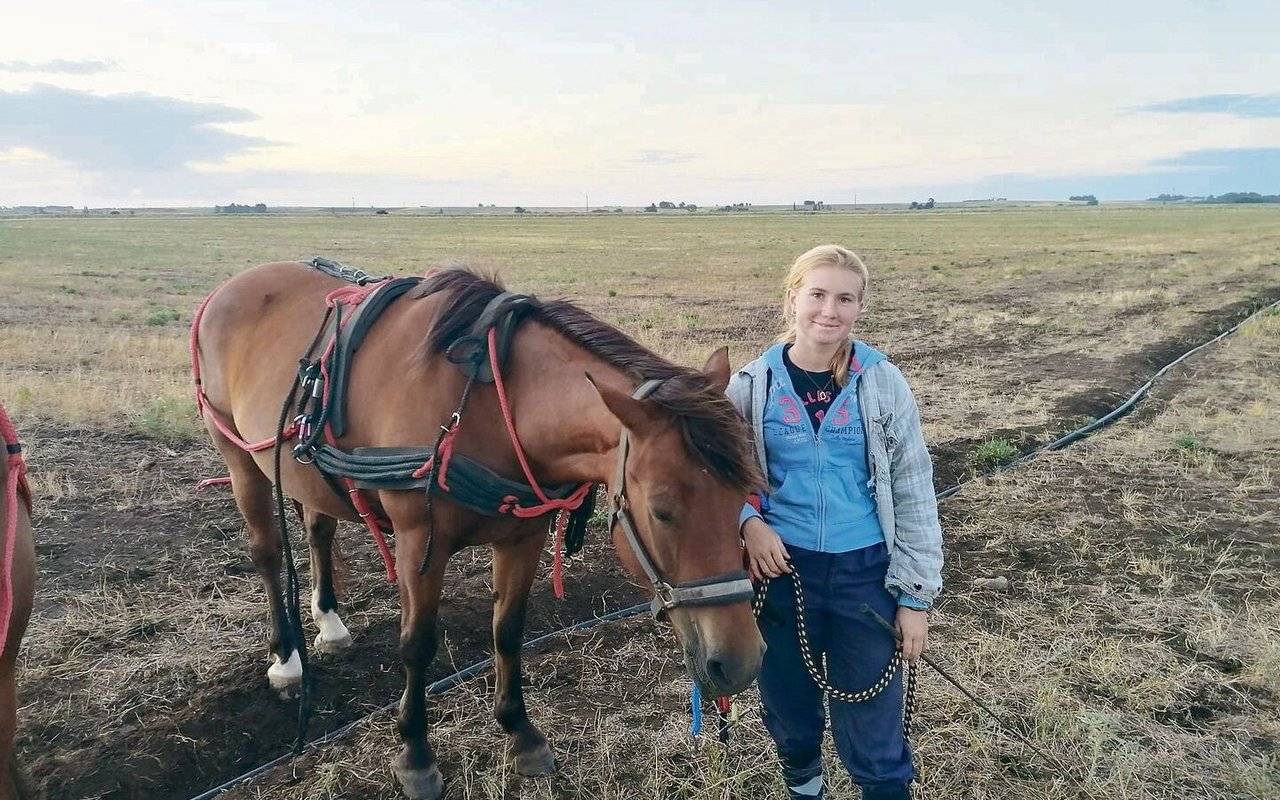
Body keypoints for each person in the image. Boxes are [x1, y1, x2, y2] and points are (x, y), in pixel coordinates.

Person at [726, 245, 944, 800]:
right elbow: (718, 479)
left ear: (859, 307)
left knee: (874, 722)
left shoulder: (882, 382)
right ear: (792, 297)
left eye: (844, 298)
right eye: (817, 294)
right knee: (791, 709)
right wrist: (749, 520)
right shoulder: (751, 387)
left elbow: (913, 487)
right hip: (783, 576)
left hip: (865, 575)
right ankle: (806, 786)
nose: (829, 309)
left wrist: (915, 598)